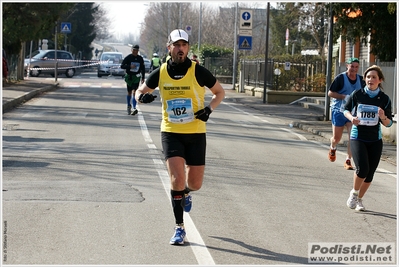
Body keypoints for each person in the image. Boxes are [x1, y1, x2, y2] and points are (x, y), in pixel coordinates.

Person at [135, 29, 225, 245]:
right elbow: (140, 92)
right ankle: (179, 228)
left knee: (195, 183)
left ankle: (186, 193)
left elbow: (219, 92)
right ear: (169, 48)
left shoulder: (199, 71)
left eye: (184, 44)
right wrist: (142, 98)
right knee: (176, 179)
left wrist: (209, 110)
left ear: (188, 48)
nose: (180, 48)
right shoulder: (161, 72)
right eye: (177, 45)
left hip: (195, 133)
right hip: (171, 132)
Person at [343, 65, 393, 211]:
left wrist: (383, 117)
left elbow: (389, 123)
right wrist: (352, 118)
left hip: (375, 140)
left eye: (374, 77)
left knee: (370, 173)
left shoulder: (384, 99)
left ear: (380, 80)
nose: (370, 79)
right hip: (358, 137)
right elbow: (345, 110)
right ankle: (353, 193)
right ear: (364, 79)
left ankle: (359, 200)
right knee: (362, 168)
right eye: (368, 77)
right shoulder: (357, 94)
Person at [327, 57, 366, 170]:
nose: (354, 69)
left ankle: (348, 160)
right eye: (352, 66)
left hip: (352, 113)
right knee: (337, 138)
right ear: (347, 66)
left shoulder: (361, 80)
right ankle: (333, 147)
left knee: (352, 137)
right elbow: (330, 93)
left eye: (356, 67)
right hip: (338, 111)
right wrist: (344, 96)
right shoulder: (340, 78)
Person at [120, 44, 145, 115]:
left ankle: (134, 107)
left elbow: (142, 68)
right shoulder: (128, 58)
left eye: (136, 50)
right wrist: (129, 66)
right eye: (134, 50)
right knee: (129, 92)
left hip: (136, 77)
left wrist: (143, 77)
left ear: (138, 51)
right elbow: (122, 66)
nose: (135, 52)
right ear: (131, 50)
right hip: (129, 77)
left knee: (135, 92)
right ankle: (128, 105)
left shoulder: (140, 58)